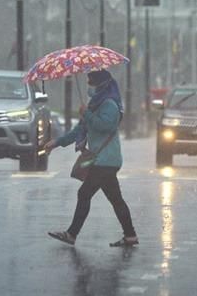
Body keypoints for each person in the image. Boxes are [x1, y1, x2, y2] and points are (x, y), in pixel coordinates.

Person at [42, 69, 138, 247]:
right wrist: (56, 143)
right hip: (103, 160)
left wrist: (86, 113)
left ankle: (71, 234)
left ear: (100, 84)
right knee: (116, 199)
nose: (88, 86)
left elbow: (105, 126)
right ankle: (130, 236)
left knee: (84, 193)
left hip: (105, 160)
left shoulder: (109, 104)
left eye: (90, 82)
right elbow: (79, 131)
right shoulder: (95, 104)